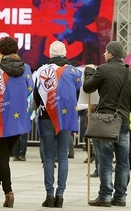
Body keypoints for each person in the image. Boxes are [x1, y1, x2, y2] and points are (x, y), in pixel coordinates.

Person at [0, 37, 34, 208]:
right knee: (4, 157)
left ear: (0, 50)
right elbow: (29, 90)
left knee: (2, 157)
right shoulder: (26, 69)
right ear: (16, 50)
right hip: (18, 118)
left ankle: (7, 192)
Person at [83, 41, 131, 207]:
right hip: (123, 121)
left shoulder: (102, 69)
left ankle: (105, 196)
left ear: (111, 54)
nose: (104, 55)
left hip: (105, 121)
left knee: (105, 160)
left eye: (106, 52)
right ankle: (120, 197)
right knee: (123, 162)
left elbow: (88, 87)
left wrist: (88, 72)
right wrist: (122, 111)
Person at [20, 0, 103, 70]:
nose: (58, 7)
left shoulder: (100, 49)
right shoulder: (23, 50)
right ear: (39, 1)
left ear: (86, 4)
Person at [33, 40, 82, 208]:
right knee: (63, 156)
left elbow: (36, 96)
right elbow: (75, 95)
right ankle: (60, 195)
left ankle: (49, 195)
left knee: (48, 156)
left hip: (47, 117)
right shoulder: (74, 72)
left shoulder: (41, 71)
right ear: (65, 53)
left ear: (50, 53)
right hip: (66, 117)